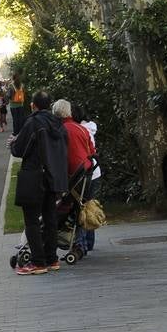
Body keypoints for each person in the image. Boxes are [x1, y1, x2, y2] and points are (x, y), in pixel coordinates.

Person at [9, 90, 69, 275]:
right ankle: (52, 258)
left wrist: (13, 143)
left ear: (33, 105)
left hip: (35, 174)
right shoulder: (58, 124)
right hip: (53, 176)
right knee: (50, 218)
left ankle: (38, 261)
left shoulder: (34, 122)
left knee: (32, 220)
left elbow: (20, 149)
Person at [65, 101, 103, 251]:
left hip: (83, 173)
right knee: (89, 206)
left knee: (79, 207)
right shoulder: (89, 128)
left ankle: (81, 243)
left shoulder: (78, 130)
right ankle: (89, 240)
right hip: (94, 172)